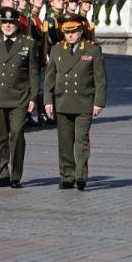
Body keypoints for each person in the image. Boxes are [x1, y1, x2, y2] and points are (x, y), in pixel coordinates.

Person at [44, 12, 107, 191]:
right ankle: (66, 176)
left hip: (84, 102)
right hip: (63, 102)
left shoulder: (92, 49)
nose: (70, 35)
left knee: (81, 141)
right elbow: (50, 78)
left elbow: (100, 78)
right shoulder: (56, 49)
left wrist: (98, 102)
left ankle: (80, 176)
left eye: (74, 31)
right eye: (67, 32)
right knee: (65, 142)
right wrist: (48, 100)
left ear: (81, 31)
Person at [0, 6, 40, 189]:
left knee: (16, 134)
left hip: (19, 97)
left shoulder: (28, 43)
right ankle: (3, 174)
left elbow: (33, 72)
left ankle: (16, 175)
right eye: (4, 22)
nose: (7, 26)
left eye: (11, 22)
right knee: (0, 136)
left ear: (17, 23)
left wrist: (33, 98)